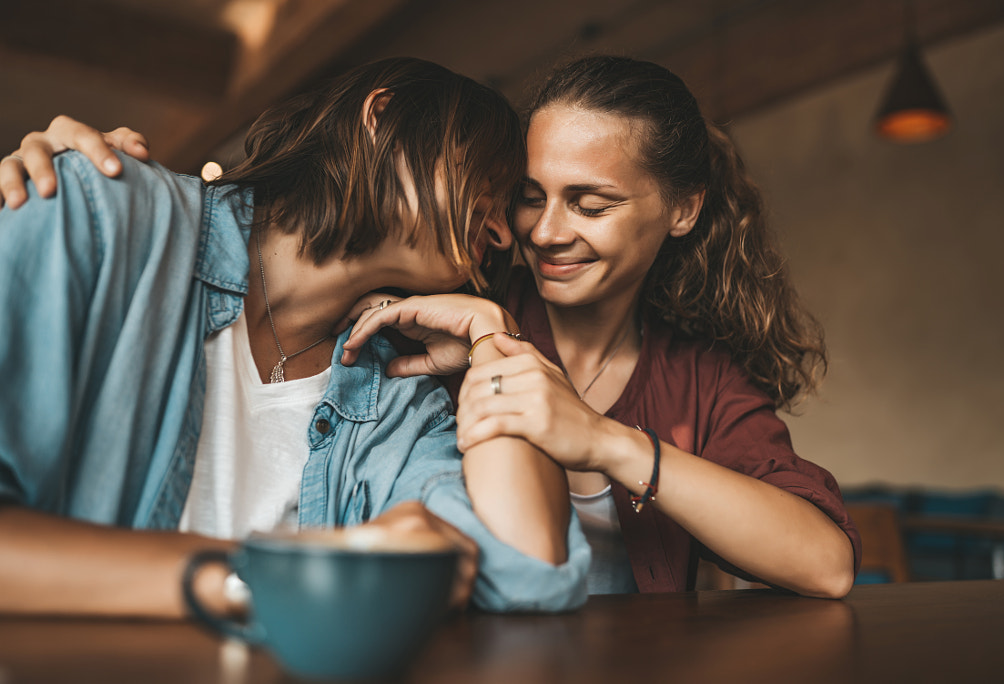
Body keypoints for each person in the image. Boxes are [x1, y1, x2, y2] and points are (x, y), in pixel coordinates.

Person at [2, 55, 860, 598]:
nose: (524, 233)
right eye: (516, 194)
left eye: (589, 202)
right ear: (381, 118)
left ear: (683, 210)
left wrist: (573, 415)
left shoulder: (421, 354)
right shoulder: (111, 217)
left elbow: (527, 571)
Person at [0, 57, 589, 618]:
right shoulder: (98, 210)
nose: (503, 234)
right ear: (380, 117)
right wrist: (266, 578)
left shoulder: (400, 395)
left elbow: (525, 571)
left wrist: (494, 337)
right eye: (487, 183)